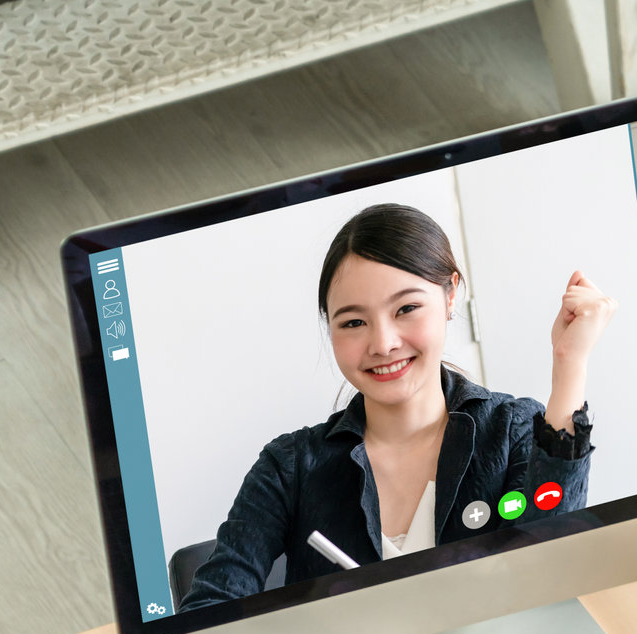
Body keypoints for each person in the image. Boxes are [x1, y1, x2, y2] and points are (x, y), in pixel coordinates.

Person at [182, 203, 614, 610]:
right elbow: (207, 613)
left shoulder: (511, 429)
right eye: (353, 322)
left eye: (406, 308)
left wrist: (569, 363)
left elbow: (552, 572)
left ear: (450, 297)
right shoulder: (289, 466)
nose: (383, 343)